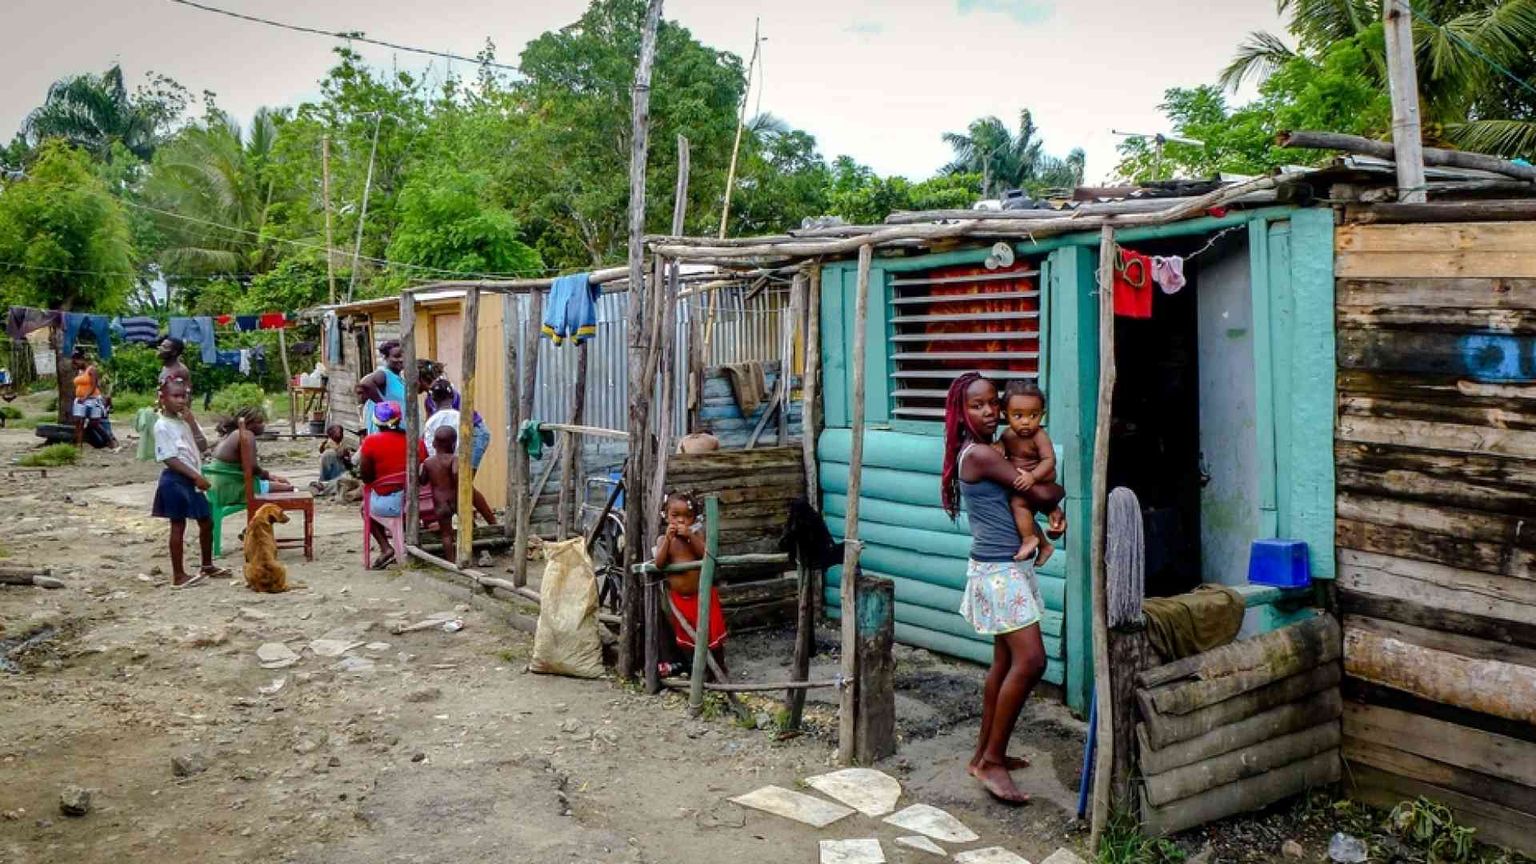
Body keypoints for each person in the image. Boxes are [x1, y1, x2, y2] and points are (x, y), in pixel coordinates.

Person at [941, 372, 1067, 805]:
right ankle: (992, 761)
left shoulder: (988, 450)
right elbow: (1046, 491)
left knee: (1003, 663)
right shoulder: (980, 455)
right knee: (1031, 661)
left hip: (1006, 566)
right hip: (999, 573)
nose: (990, 412)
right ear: (961, 411)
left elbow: (1039, 493)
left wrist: (1048, 498)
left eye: (994, 403)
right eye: (978, 405)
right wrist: (1055, 496)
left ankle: (983, 756)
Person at [151, 379, 231, 588]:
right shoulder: (162, 426)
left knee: (207, 521)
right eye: (175, 396)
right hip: (176, 480)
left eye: (183, 396)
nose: (180, 400)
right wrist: (196, 477)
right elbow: (169, 458)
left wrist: (193, 423)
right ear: (163, 399)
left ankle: (207, 565)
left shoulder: (184, 422)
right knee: (178, 526)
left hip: (192, 480)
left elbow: (203, 445)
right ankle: (179, 575)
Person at [652, 491, 727, 679]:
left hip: (702, 596)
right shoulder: (664, 540)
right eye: (675, 516)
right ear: (666, 516)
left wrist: (691, 537)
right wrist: (668, 541)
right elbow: (659, 564)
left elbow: (706, 555)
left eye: (687, 516)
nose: (681, 521)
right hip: (680, 600)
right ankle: (696, 671)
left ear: (694, 519)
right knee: (688, 636)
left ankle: (719, 671)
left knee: (711, 635)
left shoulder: (697, 535)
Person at [995, 380, 1066, 566]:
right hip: (1022, 483)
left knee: (1018, 505)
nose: (1026, 421)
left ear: (1042, 415)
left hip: (1041, 481)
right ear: (1006, 415)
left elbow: (1049, 461)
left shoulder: (1039, 436)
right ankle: (1045, 544)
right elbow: (1002, 449)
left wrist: (1033, 476)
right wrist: (998, 448)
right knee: (1021, 512)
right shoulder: (1006, 435)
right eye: (1018, 415)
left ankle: (1029, 539)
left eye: (1033, 415)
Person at [357, 401, 427, 569]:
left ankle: (386, 547)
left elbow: (366, 477)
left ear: (375, 421)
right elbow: (424, 469)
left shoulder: (370, 442)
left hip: (389, 505)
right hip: (418, 501)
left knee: (364, 507)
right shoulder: (416, 441)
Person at [208, 405, 296, 496]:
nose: (263, 425)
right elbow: (252, 467)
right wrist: (269, 477)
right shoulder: (246, 434)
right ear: (248, 423)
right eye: (260, 422)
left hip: (220, 486)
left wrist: (270, 477)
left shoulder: (229, 435)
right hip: (234, 487)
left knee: (279, 485)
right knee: (289, 489)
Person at [423, 377, 491, 473]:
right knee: (462, 478)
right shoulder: (459, 417)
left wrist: (438, 461)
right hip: (457, 453)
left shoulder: (432, 421)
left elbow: (429, 445)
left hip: (473, 434)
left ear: (433, 399)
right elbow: (461, 440)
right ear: (452, 396)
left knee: (466, 476)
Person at [420, 426, 465, 562]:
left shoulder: (428, 462)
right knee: (464, 528)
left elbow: (422, 481)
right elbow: (456, 472)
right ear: (453, 444)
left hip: (440, 504)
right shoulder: (454, 459)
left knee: (446, 534)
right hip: (456, 499)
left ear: (434, 443)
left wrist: (420, 468)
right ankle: (464, 555)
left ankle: (450, 561)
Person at [157, 336, 207, 454]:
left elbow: (186, 393)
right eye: (161, 346)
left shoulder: (180, 370)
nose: (160, 349)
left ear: (174, 352)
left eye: (165, 347)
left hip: (177, 414)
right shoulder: (166, 367)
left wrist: (182, 413)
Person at [69, 350, 119, 450]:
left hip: (92, 399)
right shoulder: (80, 372)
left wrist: (85, 397)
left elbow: (93, 386)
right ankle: (78, 445)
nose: (75, 364)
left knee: (94, 423)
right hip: (80, 400)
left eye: (76, 362)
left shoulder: (91, 370)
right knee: (78, 422)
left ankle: (109, 441)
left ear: (82, 359)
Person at [357, 341, 407, 436]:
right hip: (386, 432)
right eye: (396, 356)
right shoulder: (384, 374)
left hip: (398, 430)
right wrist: (383, 404)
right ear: (385, 357)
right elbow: (365, 383)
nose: (401, 359)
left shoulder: (399, 377)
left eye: (403, 356)